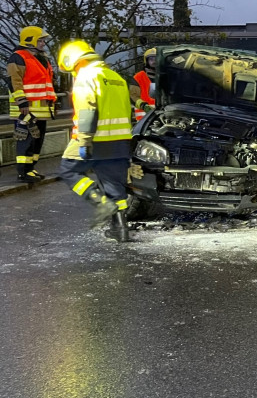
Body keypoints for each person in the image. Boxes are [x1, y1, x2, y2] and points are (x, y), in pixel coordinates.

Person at [56, 41, 134, 242]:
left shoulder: (86, 77)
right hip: (120, 140)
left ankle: (100, 203)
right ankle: (121, 230)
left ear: (74, 60)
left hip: (95, 138)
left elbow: (86, 111)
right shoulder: (116, 77)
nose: (73, 72)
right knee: (115, 186)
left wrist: (84, 141)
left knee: (69, 170)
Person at [6, 26, 58, 183]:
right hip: (26, 109)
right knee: (26, 140)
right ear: (30, 40)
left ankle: (31, 168)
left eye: (43, 40)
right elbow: (14, 81)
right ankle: (24, 172)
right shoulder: (18, 57)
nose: (43, 43)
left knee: (37, 140)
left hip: (41, 110)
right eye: (40, 40)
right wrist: (22, 102)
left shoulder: (42, 58)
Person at [128, 48, 157, 121]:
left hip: (162, 118)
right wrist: (143, 106)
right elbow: (133, 96)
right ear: (146, 61)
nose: (154, 62)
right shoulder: (139, 77)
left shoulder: (165, 77)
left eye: (156, 59)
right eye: (151, 59)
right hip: (143, 120)